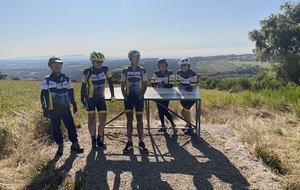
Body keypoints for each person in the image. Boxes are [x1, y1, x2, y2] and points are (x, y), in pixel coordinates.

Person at [40, 56, 84, 157]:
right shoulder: (46, 81)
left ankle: (75, 145)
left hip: (65, 108)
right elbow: (43, 96)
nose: (57, 66)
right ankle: (60, 146)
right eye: (55, 65)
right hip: (53, 109)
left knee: (71, 127)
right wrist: (45, 108)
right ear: (51, 66)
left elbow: (71, 92)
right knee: (56, 128)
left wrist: (74, 103)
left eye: (59, 64)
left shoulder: (66, 78)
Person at [80, 51, 116, 149]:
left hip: (101, 98)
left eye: (101, 62)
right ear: (92, 62)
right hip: (90, 99)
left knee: (103, 120)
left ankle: (99, 138)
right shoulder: (87, 71)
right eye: (97, 62)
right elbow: (83, 87)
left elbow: (110, 82)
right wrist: (81, 100)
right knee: (91, 120)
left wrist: (113, 95)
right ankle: (93, 140)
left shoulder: (105, 69)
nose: (100, 63)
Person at [121, 50, 148, 153]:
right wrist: (126, 97)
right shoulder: (125, 71)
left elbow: (145, 85)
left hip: (139, 98)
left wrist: (139, 97)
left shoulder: (143, 70)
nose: (137, 60)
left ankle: (141, 142)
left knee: (139, 119)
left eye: (138, 58)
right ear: (130, 59)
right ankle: (129, 142)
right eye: (135, 58)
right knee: (129, 119)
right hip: (128, 98)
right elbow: (122, 86)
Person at [151, 58, 177, 132]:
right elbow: (152, 83)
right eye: (160, 65)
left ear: (166, 65)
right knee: (160, 110)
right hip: (158, 95)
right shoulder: (156, 73)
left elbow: (171, 84)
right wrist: (160, 84)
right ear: (158, 66)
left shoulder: (170, 73)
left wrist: (160, 85)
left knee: (165, 110)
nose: (162, 66)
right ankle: (163, 125)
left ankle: (172, 124)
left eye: (163, 65)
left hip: (167, 94)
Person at [176, 57, 198, 134]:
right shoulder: (179, 73)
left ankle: (189, 127)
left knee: (183, 112)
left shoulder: (193, 74)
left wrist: (186, 87)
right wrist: (186, 87)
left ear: (188, 65)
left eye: (185, 65)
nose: (183, 67)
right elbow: (178, 84)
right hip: (183, 95)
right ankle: (188, 124)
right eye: (182, 65)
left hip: (191, 97)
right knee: (187, 112)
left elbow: (191, 87)